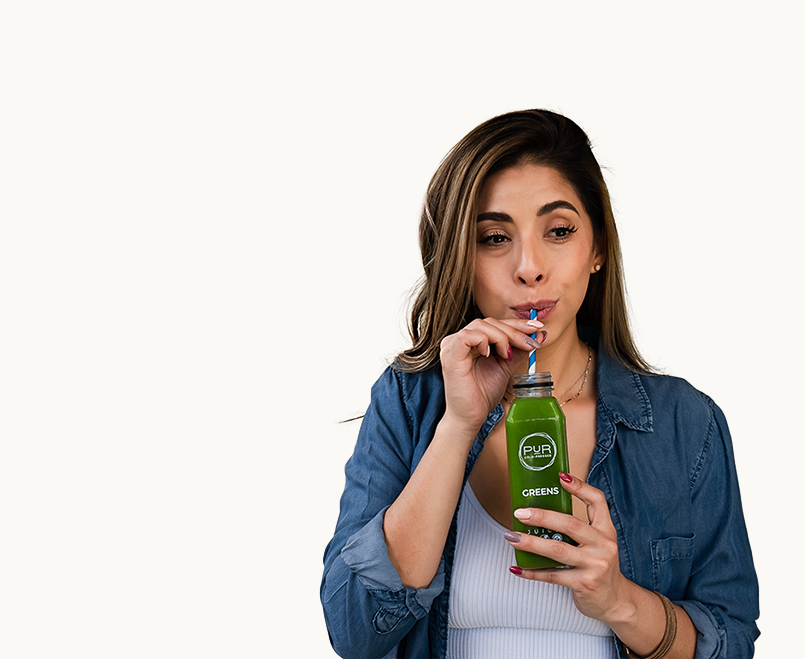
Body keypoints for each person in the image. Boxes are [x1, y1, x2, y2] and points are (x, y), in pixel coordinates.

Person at [320, 110, 758, 659]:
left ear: (597, 248)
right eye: (495, 237)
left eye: (558, 231)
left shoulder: (682, 423)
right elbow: (354, 632)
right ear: (462, 258)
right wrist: (459, 425)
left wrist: (620, 600)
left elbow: (732, 641)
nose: (529, 267)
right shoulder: (410, 404)